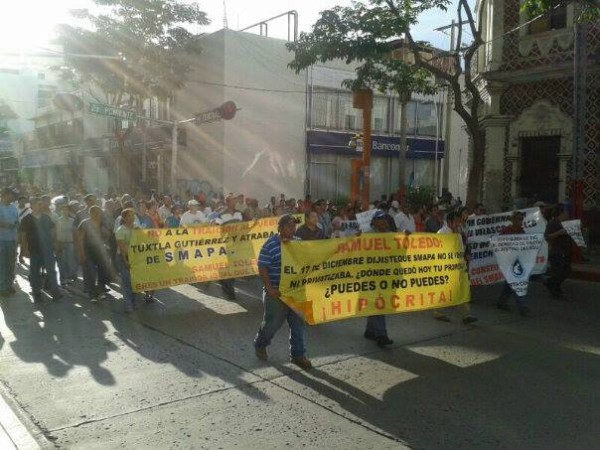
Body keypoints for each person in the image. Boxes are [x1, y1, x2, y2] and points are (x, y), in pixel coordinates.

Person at [254, 214, 312, 370]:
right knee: (272, 324)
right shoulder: (270, 244)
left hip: (295, 292)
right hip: (276, 293)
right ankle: (260, 343)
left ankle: (298, 355)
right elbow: (262, 266)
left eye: (294, 226)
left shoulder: (298, 243)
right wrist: (270, 288)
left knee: (298, 324)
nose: (293, 229)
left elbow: (308, 261)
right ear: (280, 228)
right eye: (289, 226)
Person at [435, 210, 478, 324]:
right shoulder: (442, 233)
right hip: (446, 267)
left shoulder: (458, 234)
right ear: (449, 221)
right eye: (456, 221)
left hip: (459, 266)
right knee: (444, 290)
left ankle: (466, 315)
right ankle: (439, 312)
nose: (458, 223)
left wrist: (466, 255)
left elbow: (461, 248)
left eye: (459, 221)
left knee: (462, 290)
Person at [19, 197, 62, 303]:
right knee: (34, 272)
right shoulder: (26, 219)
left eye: (41, 204)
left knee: (51, 271)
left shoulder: (46, 218)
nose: (41, 205)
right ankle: (36, 293)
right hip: (34, 250)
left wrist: (56, 244)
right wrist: (24, 250)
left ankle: (55, 293)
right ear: (32, 205)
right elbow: (23, 236)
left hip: (47, 249)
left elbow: (53, 232)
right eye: (38, 204)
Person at [363, 210, 395, 347]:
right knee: (378, 303)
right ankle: (381, 335)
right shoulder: (367, 235)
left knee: (375, 303)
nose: (384, 221)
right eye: (380, 219)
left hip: (385, 275)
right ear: (374, 221)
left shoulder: (390, 235)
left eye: (385, 219)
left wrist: (406, 238)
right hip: (371, 275)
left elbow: (400, 250)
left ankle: (370, 331)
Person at [497, 211, 531, 316]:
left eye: (521, 219)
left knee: (510, 283)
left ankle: (501, 302)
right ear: (513, 220)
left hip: (518, 262)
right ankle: (522, 306)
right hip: (508, 262)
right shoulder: (506, 231)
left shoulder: (521, 231)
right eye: (518, 219)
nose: (520, 221)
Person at [78, 205, 114, 303]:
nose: (98, 214)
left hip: (100, 250)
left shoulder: (102, 223)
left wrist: (106, 234)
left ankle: (101, 291)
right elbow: (80, 239)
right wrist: (81, 253)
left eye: (99, 212)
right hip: (88, 251)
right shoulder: (85, 223)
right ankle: (92, 294)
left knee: (102, 271)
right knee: (91, 273)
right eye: (95, 212)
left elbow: (107, 235)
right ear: (90, 213)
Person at [544, 204, 574, 299]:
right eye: (566, 211)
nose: (567, 213)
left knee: (566, 270)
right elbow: (547, 236)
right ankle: (555, 290)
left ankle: (551, 283)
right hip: (557, 251)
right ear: (561, 212)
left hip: (566, 251)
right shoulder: (553, 223)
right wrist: (559, 233)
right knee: (559, 272)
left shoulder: (566, 223)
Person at [115, 208, 139, 312]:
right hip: (123, 257)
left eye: (133, 215)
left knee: (134, 281)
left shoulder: (136, 228)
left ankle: (133, 302)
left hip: (135, 257)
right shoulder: (120, 230)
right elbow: (121, 247)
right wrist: (125, 261)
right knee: (127, 281)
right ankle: (128, 305)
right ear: (124, 218)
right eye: (129, 216)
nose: (132, 218)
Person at [0, 188, 19, 296]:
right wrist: (5, 225)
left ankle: (9, 285)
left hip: (12, 239)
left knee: (11, 264)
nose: (13, 197)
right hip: (1, 240)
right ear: (6, 195)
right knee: (2, 263)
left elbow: (17, 220)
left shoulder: (13, 207)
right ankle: (2, 287)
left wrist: (15, 224)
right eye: (11, 195)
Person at [55, 203, 78, 286]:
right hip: (61, 242)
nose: (65, 211)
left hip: (70, 242)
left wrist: (76, 243)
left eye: (66, 210)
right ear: (61, 211)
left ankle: (70, 276)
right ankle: (63, 278)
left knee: (70, 260)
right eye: (63, 210)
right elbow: (57, 233)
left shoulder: (72, 221)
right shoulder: (58, 220)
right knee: (62, 261)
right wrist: (57, 243)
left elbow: (75, 233)